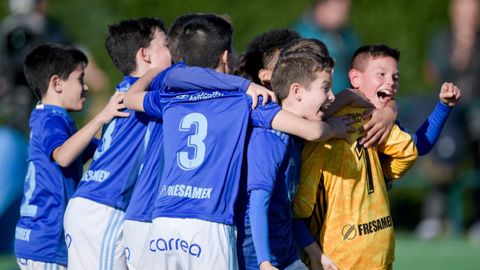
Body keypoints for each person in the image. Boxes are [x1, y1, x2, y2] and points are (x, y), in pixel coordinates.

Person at [124, 14, 353, 269]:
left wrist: (156, 73)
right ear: (225, 56)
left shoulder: (172, 99)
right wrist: (335, 127)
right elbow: (311, 131)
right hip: (209, 224)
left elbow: (131, 98)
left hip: (164, 222)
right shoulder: (245, 101)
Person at [293, 44, 419, 270]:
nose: (390, 82)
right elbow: (410, 151)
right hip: (354, 256)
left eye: (395, 77)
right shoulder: (328, 130)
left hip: (357, 255)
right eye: (381, 74)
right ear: (355, 78)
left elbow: (297, 210)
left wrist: (390, 110)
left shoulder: (373, 118)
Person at [62, 17, 172, 270]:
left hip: (93, 205)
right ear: (145, 55)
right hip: (104, 208)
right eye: (166, 45)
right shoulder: (150, 92)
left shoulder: (124, 88)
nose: (173, 52)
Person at [14, 43, 127, 270]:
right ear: (56, 83)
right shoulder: (51, 119)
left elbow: (98, 150)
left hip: (37, 240)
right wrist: (101, 117)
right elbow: (64, 156)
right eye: (79, 79)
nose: (85, 87)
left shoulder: (54, 119)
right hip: (47, 241)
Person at [242, 47, 341, 269]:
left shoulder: (296, 137)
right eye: (325, 88)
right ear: (297, 91)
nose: (331, 96)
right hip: (256, 256)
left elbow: (287, 210)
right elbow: (258, 202)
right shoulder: (269, 137)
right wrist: (264, 262)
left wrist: (315, 253)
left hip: (286, 254)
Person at [417, 0, 480, 241]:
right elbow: (434, 71)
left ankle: (477, 218)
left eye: (472, 11)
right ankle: (434, 215)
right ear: (454, 12)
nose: (467, 16)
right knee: (440, 151)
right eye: (463, 10)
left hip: (476, 115)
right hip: (450, 114)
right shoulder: (442, 38)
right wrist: (459, 53)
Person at [293, 0, 360, 94]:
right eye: (338, 11)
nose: (345, 18)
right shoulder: (302, 37)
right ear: (322, 6)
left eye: (347, 12)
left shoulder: (346, 34)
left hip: (345, 98)